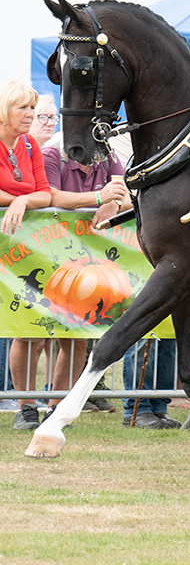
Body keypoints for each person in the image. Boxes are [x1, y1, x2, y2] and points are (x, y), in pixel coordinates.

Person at [39, 143, 131, 420]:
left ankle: (57, 404)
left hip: (89, 263)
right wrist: (99, 198)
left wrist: (112, 203)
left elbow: (125, 196)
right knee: (32, 332)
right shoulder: (52, 155)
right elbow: (50, 196)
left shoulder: (110, 156)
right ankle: (25, 405)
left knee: (77, 337)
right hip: (46, 252)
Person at [0, 81, 53, 430]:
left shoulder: (31, 143)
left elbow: (45, 194)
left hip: (26, 246)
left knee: (27, 324)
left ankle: (29, 407)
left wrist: (20, 199)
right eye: (24, 108)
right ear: (5, 110)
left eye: (32, 109)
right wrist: (19, 196)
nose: (31, 115)